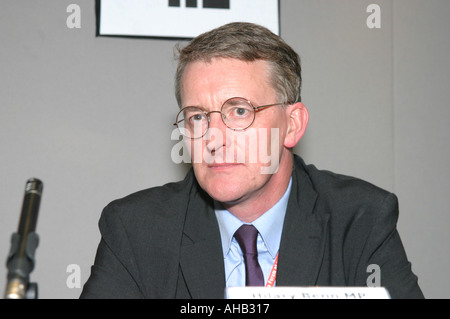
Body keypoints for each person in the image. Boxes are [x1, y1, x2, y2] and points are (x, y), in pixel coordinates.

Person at [80, 22, 424, 299]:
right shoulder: (136, 230)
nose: (213, 138)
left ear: (293, 125)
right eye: (198, 117)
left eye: (240, 111)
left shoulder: (360, 220)